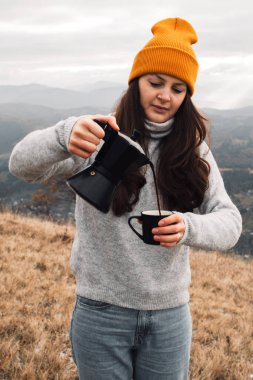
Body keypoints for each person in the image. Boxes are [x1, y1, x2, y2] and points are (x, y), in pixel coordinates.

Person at [9, 17, 242, 380]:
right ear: (136, 82)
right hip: (100, 313)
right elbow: (19, 165)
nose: (166, 95)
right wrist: (62, 136)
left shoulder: (191, 149)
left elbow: (229, 221)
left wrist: (189, 226)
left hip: (169, 317)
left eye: (178, 88)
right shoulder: (100, 135)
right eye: (156, 82)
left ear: (187, 96)